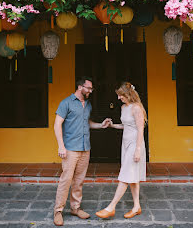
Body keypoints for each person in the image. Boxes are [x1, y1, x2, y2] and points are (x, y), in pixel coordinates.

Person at [53, 76, 110, 226]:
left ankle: (75, 208)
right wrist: (61, 146)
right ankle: (58, 211)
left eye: (91, 89)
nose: (91, 91)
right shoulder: (66, 103)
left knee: (79, 181)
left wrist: (100, 125)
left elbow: (87, 123)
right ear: (80, 87)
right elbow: (57, 124)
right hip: (70, 148)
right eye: (89, 88)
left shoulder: (88, 105)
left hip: (85, 148)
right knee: (66, 180)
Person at [96, 82, 147, 219]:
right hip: (125, 144)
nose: (118, 98)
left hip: (135, 144)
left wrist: (138, 150)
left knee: (125, 175)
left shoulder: (136, 108)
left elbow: (140, 129)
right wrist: (113, 125)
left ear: (128, 94)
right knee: (132, 175)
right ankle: (136, 207)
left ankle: (111, 207)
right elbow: (126, 126)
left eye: (120, 95)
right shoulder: (124, 107)